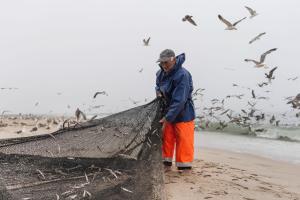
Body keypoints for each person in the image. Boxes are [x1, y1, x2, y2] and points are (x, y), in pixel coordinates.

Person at [155, 49, 195, 171]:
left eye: (166, 62)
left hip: (184, 112)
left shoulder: (183, 75)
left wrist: (167, 117)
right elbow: (158, 86)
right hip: (167, 109)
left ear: (173, 59)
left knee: (184, 139)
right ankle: (166, 163)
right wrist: (158, 92)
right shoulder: (160, 73)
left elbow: (180, 100)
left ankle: (184, 166)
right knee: (167, 137)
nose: (164, 65)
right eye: (161, 63)